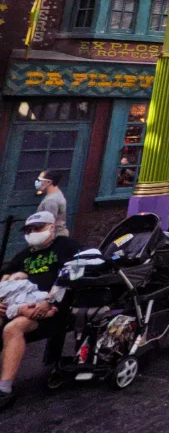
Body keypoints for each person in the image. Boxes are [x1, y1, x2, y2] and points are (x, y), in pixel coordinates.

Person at [0, 212, 81, 411]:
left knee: (14, 328)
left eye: (38, 228)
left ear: (52, 227)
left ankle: (4, 389)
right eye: (29, 230)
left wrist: (48, 301)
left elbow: (74, 276)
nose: (33, 233)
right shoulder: (23, 256)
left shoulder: (66, 247)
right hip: (17, 303)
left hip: (52, 308)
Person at [34, 171, 68, 238]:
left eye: (40, 180)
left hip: (53, 238)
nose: (37, 182)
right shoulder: (55, 194)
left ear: (49, 182)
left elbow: (49, 224)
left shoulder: (51, 200)